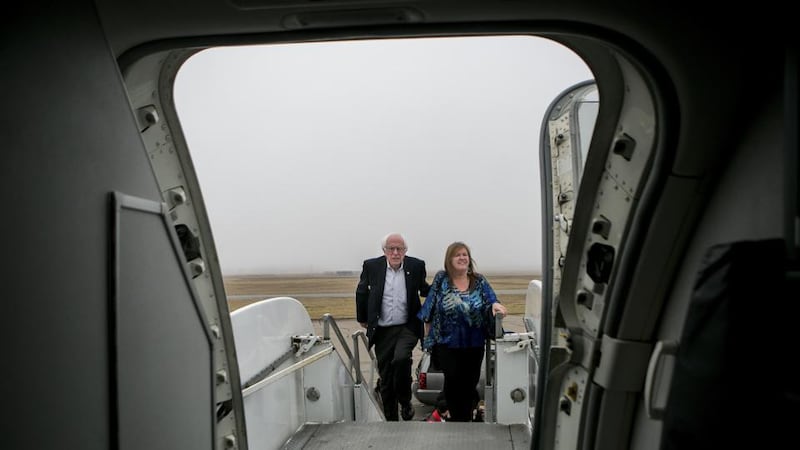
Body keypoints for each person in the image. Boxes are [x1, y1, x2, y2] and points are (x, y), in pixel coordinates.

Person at [417, 241, 507, 422]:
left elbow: (491, 300)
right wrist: (427, 338)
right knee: (453, 382)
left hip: (474, 343)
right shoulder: (442, 279)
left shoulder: (479, 280)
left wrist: (496, 306)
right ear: (449, 260)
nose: (462, 258)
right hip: (447, 344)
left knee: (469, 384)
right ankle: (459, 421)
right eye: (457, 255)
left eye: (464, 254)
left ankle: (463, 420)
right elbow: (429, 307)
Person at [356, 233, 431, 421]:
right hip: (382, 330)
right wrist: (363, 318)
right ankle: (391, 418)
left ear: (405, 251)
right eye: (391, 248)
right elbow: (362, 291)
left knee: (401, 359)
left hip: (407, 327)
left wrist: (446, 288)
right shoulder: (372, 266)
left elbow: (424, 289)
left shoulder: (416, 266)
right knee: (387, 375)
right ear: (384, 251)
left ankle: (405, 402)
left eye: (400, 249)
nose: (396, 252)